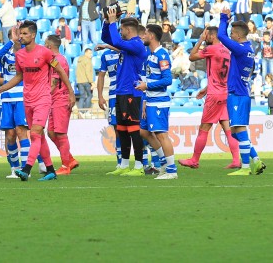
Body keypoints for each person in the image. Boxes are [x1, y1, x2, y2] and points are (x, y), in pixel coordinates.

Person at [0, 21, 72, 181]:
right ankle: (50, 170)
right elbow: (19, 76)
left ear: (33, 35)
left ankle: (26, 168)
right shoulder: (20, 55)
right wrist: (0, 89)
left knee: (34, 134)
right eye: (21, 33)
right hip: (28, 100)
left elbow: (60, 71)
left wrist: (71, 93)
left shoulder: (45, 53)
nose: (22, 36)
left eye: (25, 34)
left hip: (43, 99)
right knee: (39, 136)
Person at [179, 27, 241, 169]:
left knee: (204, 127)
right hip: (225, 93)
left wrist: (200, 40)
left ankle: (194, 160)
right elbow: (222, 75)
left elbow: (192, 56)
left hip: (215, 96)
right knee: (227, 128)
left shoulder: (212, 48)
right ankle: (236, 160)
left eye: (206, 35)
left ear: (212, 36)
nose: (205, 37)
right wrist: (207, 88)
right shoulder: (226, 51)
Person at [217, 9, 266, 175]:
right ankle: (256, 160)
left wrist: (223, 18)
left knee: (239, 130)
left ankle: (245, 168)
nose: (230, 36)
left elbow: (221, 37)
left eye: (232, 33)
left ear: (238, 35)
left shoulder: (241, 49)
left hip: (237, 94)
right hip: (241, 93)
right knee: (235, 133)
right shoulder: (248, 48)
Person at [102, 12, 148, 176]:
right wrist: (107, 22)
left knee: (134, 130)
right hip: (121, 91)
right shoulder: (128, 44)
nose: (120, 32)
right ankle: (124, 165)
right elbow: (107, 39)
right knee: (122, 129)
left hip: (131, 92)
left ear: (128, 30)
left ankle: (139, 167)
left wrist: (114, 22)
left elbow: (114, 40)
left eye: (121, 29)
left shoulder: (137, 45)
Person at [135, 24, 177, 179]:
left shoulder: (162, 55)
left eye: (145, 33)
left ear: (151, 36)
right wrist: (145, 100)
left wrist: (147, 86)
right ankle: (165, 164)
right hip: (150, 100)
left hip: (159, 101)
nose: (143, 36)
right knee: (144, 131)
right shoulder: (150, 55)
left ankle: (171, 171)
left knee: (162, 135)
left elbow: (167, 80)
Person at [0, 26, 30, 178]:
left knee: (22, 132)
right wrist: (11, 42)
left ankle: (25, 168)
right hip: (7, 98)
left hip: (22, 98)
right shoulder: (4, 55)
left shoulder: (26, 53)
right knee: (9, 135)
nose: (19, 37)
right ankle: (14, 169)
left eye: (21, 35)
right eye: (16, 35)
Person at [46, 35, 79, 175]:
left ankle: (65, 166)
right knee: (51, 132)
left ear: (49, 46)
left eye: (45, 44)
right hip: (55, 99)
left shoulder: (58, 60)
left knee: (60, 133)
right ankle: (69, 159)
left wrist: (42, 96)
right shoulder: (55, 60)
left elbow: (53, 84)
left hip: (61, 98)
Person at [97, 45, 121, 167]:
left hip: (130, 93)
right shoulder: (106, 55)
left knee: (137, 128)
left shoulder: (128, 50)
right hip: (113, 94)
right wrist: (100, 96)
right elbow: (101, 75)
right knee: (116, 128)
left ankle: (144, 163)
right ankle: (121, 162)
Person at [75, 48, 94, 113]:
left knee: (82, 96)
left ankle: (80, 111)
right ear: (85, 53)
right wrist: (92, 82)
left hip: (79, 81)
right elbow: (88, 72)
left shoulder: (79, 59)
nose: (91, 55)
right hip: (86, 81)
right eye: (89, 53)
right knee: (89, 95)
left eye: (91, 53)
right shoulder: (88, 60)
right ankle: (86, 111)